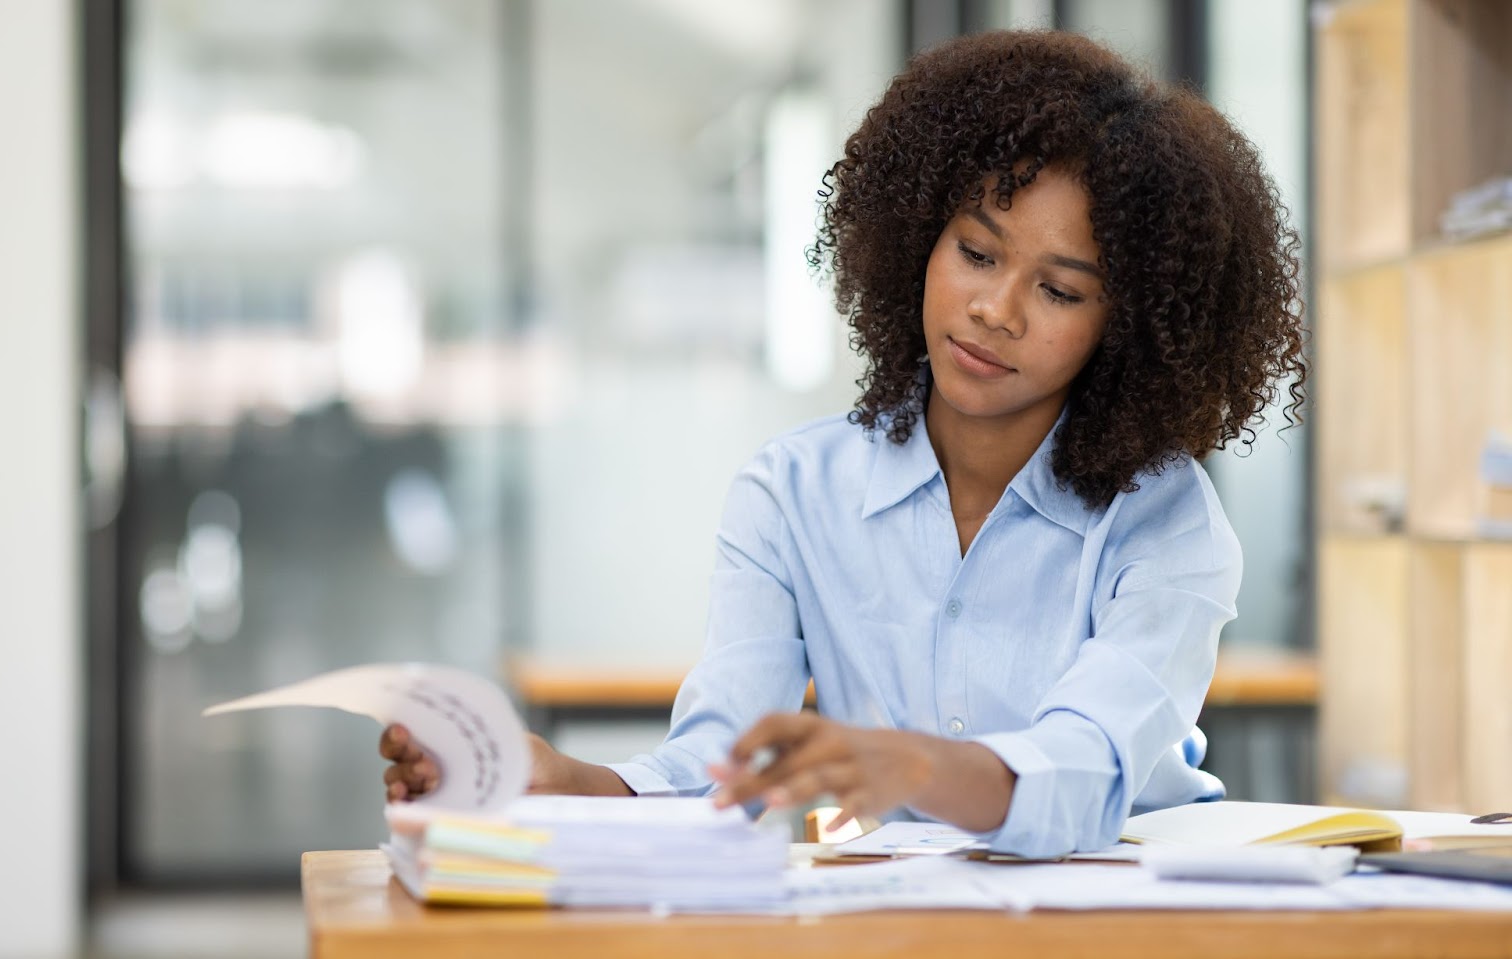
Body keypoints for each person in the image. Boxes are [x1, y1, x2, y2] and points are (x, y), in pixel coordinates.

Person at [379, 29, 1305, 859]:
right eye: (977, 255)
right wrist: (561, 781)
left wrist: (905, 764)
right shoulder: (791, 493)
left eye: (1060, 291)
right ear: (918, 243)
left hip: (1140, 920)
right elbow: (717, 765)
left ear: (1131, 325)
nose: (996, 309)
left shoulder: (1165, 519)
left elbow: (1086, 771)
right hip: (901, 923)